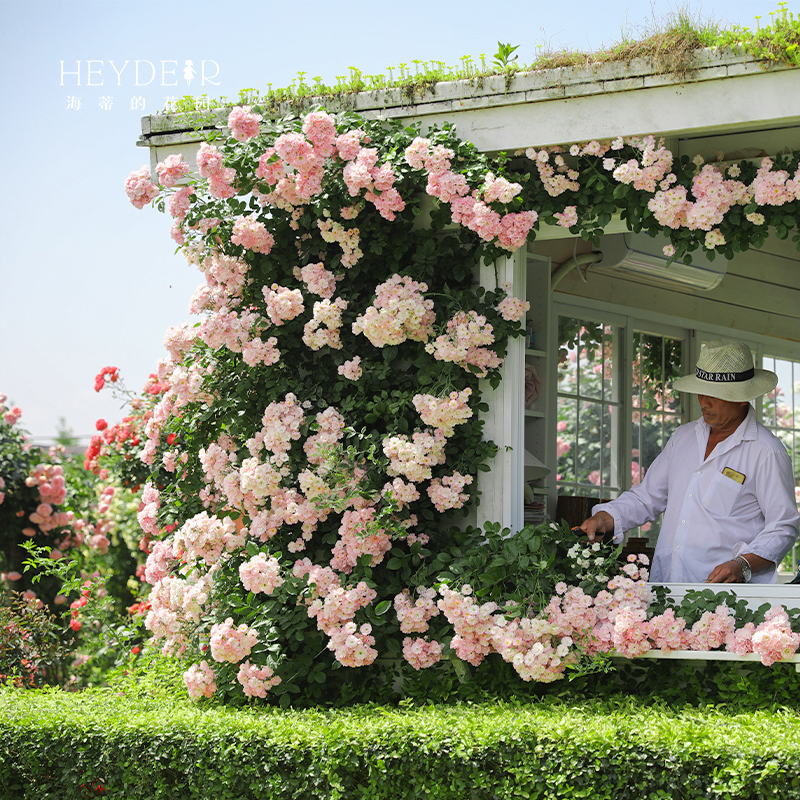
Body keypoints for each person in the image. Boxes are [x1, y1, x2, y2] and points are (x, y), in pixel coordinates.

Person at [579, 339, 799, 584]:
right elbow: (648, 496)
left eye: (715, 395)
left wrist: (743, 564)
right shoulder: (683, 437)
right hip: (667, 586)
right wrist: (605, 517)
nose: (704, 402)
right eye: (701, 391)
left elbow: (783, 526)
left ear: (741, 398)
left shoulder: (766, 451)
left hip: (729, 597)